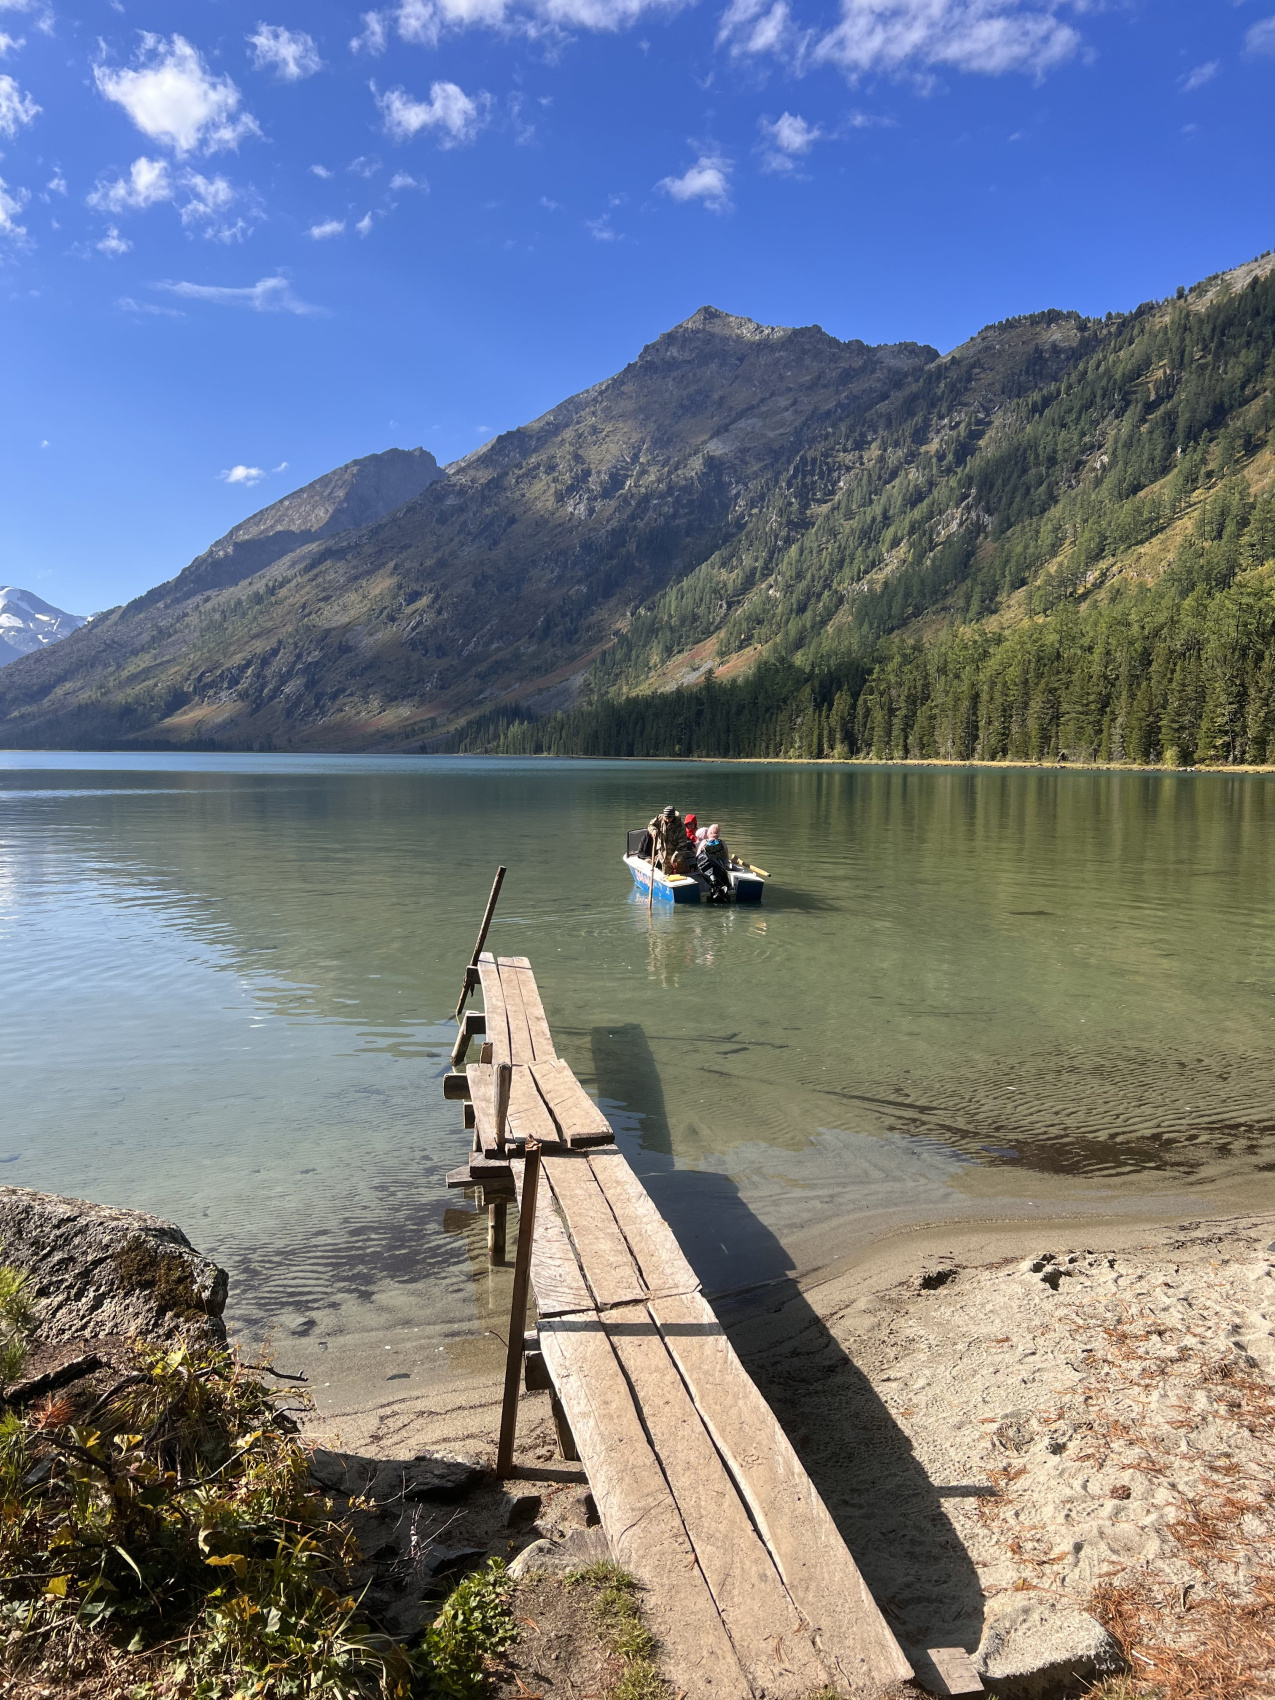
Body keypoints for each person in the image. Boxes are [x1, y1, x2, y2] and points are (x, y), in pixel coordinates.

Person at [647, 805, 694, 875]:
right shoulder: (659, 819)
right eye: (666, 818)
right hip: (664, 854)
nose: (668, 820)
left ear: (673, 817)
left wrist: (675, 857)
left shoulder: (680, 826)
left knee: (682, 874)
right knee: (666, 875)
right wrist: (653, 830)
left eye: (670, 818)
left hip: (677, 854)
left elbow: (682, 844)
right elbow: (651, 825)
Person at [696, 823, 732, 901]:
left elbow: (697, 857)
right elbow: (726, 859)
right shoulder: (722, 843)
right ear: (718, 834)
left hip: (707, 872)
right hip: (720, 871)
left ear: (708, 833)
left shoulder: (704, 843)